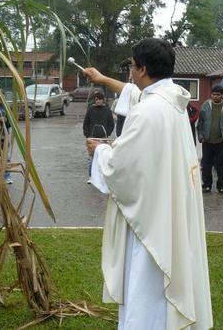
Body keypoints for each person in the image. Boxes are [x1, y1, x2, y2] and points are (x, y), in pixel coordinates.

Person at [83, 38, 213, 329]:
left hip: (150, 217)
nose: (130, 71)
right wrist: (102, 78)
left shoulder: (149, 110)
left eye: (131, 65)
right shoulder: (174, 100)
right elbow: (133, 95)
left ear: (141, 69)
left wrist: (100, 150)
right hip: (169, 205)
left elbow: (120, 169)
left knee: (147, 285)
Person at [197, 85, 223, 194]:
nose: (215, 96)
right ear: (211, 95)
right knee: (206, 165)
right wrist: (201, 136)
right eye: (213, 94)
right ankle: (206, 185)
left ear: (222, 95)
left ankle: (222, 186)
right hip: (207, 141)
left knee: (221, 165)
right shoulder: (205, 105)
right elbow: (200, 123)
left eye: (218, 94)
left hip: (222, 141)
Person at [83, 89, 114, 182]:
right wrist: (87, 134)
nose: (97, 101)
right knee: (91, 158)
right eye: (96, 99)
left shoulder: (107, 111)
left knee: (102, 157)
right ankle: (91, 177)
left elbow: (111, 124)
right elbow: (86, 123)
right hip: (92, 137)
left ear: (102, 100)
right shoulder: (90, 110)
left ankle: (101, 176)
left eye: (99, 99)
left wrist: (106, 133)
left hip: (103, 138)